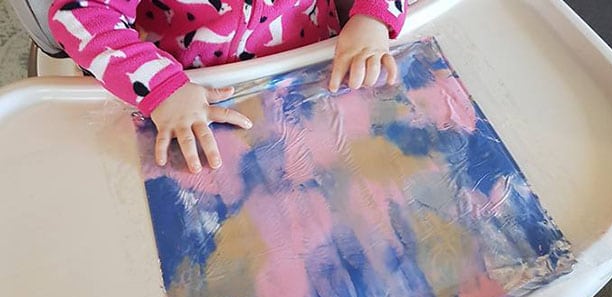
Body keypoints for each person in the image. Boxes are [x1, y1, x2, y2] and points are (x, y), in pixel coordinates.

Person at [48, 0, 407, 172]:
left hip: (317, 69)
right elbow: (78, 14)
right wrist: (162, 86)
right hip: (184, 97)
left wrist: (373, 17)